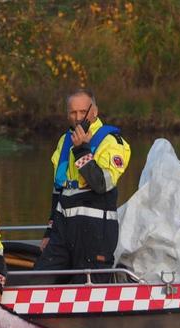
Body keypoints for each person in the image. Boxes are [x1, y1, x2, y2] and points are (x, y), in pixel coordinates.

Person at [35, 88, 130, 278]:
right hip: (63, 230)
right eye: (72, 112)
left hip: (96, 233)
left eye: (82, 112)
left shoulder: (113, 142)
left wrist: (81, 150)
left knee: (89, 289)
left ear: (94, 111)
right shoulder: (64, 141)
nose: (78, 117)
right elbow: (58, 189)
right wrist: (49, 230)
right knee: (39, 280)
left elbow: (101, 184)